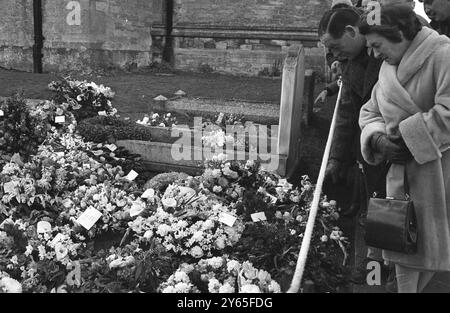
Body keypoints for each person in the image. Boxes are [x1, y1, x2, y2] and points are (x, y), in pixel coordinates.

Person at [358, 4, 450, 293]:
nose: (374, 54)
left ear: (397, 33)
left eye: (376, 45)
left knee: (429, 253)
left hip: (439, 173)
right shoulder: (388, 69)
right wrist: (379, 140)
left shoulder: (443, 54)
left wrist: (408, 138)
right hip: (400, 177)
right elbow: (369, 112)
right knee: (402, 247)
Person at [318, 7, 388, 285]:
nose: (333, 56)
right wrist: (336, 157)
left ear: (351, 32)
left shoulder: (387, 48)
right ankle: (375, 270)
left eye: (335, 47)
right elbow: (346, 109)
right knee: (373, 210)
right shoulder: (350, 61)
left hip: (400, 147)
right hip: (371, 148)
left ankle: (386, 270)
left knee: (394, 211)